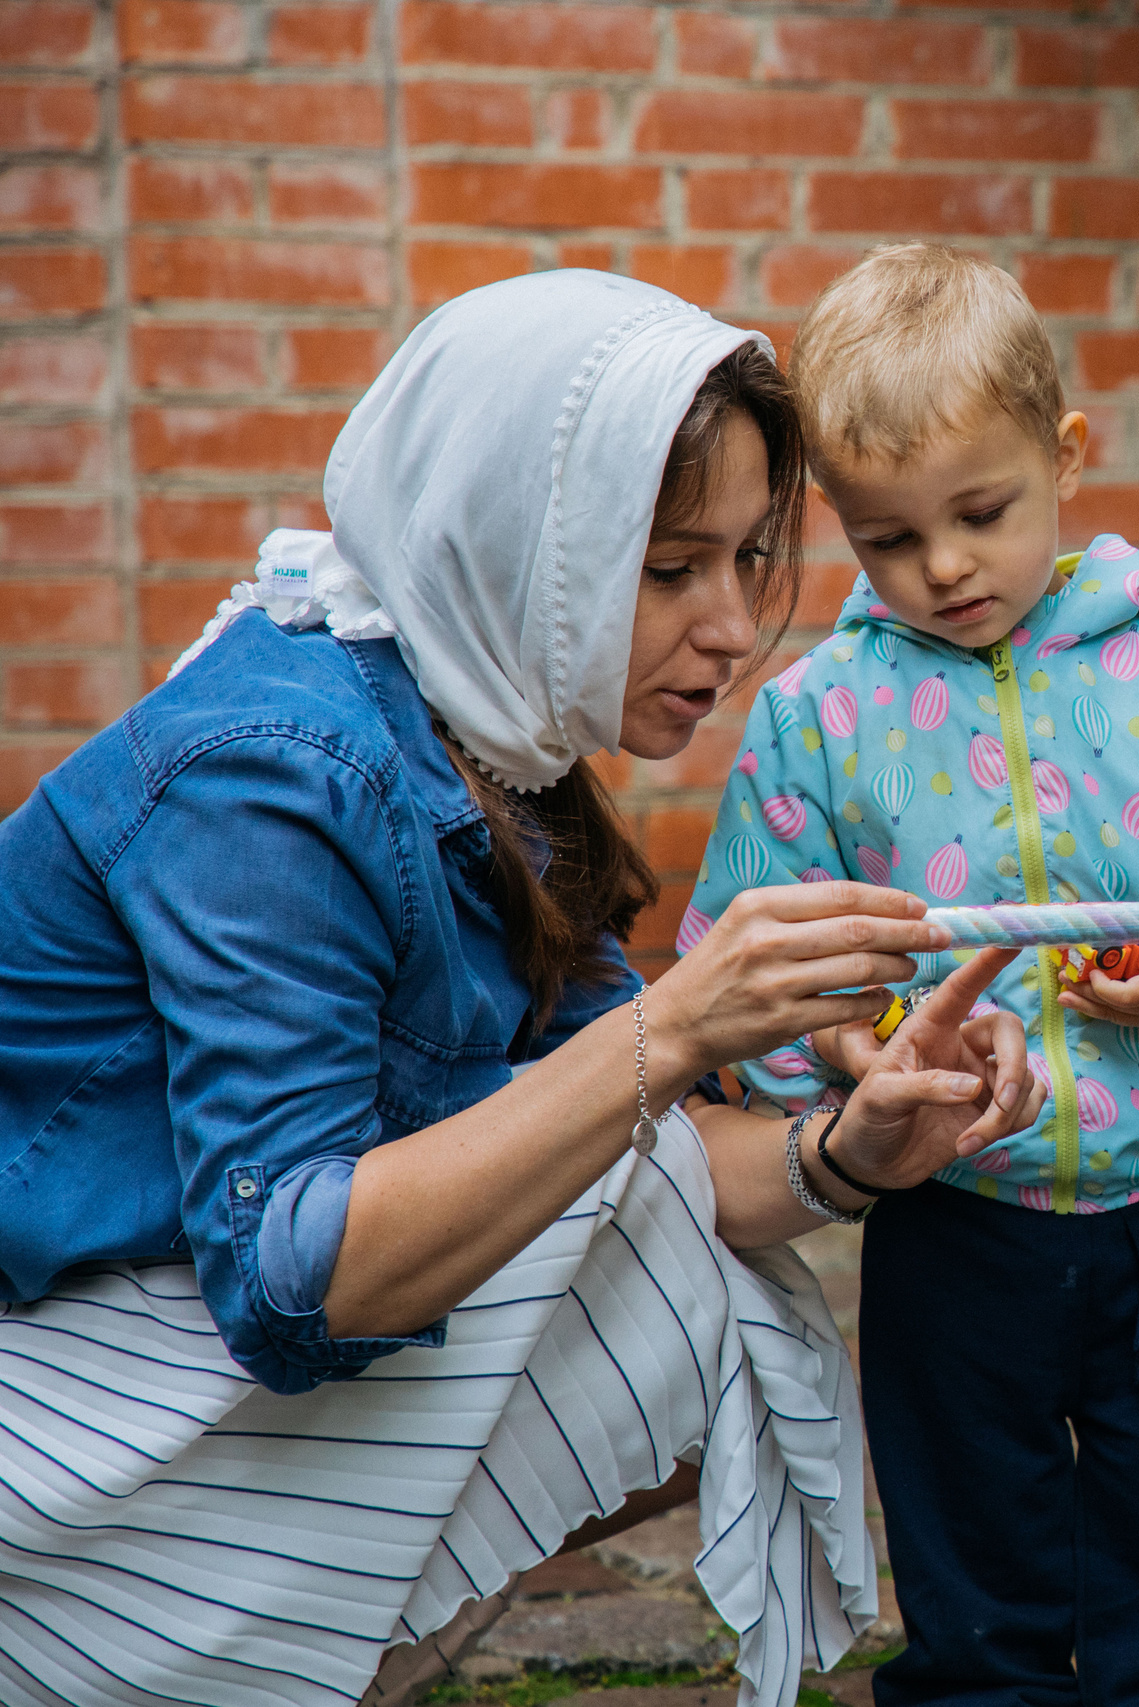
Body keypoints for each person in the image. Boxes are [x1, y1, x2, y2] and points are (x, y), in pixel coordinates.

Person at [0, 270, 1043, 1707]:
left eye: (747, 559)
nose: (730, 626)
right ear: (522, 543)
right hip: (45, 1391)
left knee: (707, 1283)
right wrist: (679, 1022)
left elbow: (662, 1157)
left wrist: (853, 1151)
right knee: (633, 1235)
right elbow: (297, 1284)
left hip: (145, 1343)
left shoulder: (491, 739)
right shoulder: (274, 775)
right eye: (669, 570)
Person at [683, 243, 1139, 1707]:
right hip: (949, 1220)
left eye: (981, 513)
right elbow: (766, 950)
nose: (942, 567)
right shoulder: (822, 718)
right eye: (887, 538)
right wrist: (858, 1049)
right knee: (971, 1564)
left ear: (1064, 456)